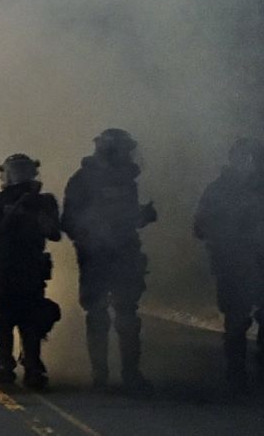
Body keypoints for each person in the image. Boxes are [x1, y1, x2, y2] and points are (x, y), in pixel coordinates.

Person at [194, 138, 264, 391]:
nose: (258, 164)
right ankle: (237, 373)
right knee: (237, 319)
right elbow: (200, 227)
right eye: (253, 158)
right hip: (233, 262)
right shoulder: (219, 190)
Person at [62, 128, 156, 391]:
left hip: (124, 251)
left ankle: (129, 373)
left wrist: (141, 216)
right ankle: (101, 374)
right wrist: (91, 237)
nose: (128, 154)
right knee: (98, 314)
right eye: (124, 149)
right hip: (96, 255)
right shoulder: (84, 179)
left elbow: (126, 216)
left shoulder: (127, 180)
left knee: (127, 313)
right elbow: (68, 220)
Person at [0, 154, 61, 389]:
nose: (19, 175)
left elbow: (54, 233)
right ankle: (4, 363)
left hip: (32, 265)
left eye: (24, 170)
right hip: (4, 265)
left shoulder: (44, 201)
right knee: (4, 316)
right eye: (15, 170)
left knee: (32, 316)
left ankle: (32, 364)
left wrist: (31, 216)